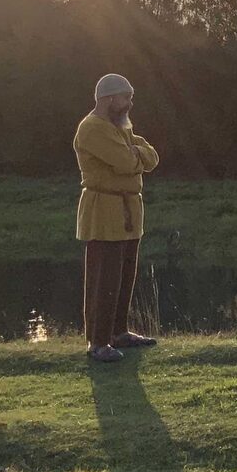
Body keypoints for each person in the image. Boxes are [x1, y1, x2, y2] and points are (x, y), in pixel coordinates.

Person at [74, 73, 161, 363]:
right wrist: (136, 156)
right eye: (126, 98)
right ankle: (98, 342)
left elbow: (153, 156)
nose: (130, 104)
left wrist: (134, 153)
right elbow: (126, 161)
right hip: (104, 210)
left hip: (129, 211)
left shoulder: (119, 127)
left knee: (125, 275)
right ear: (110, 99)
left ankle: (118, 332)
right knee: (104, 277)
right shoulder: (92, 129)